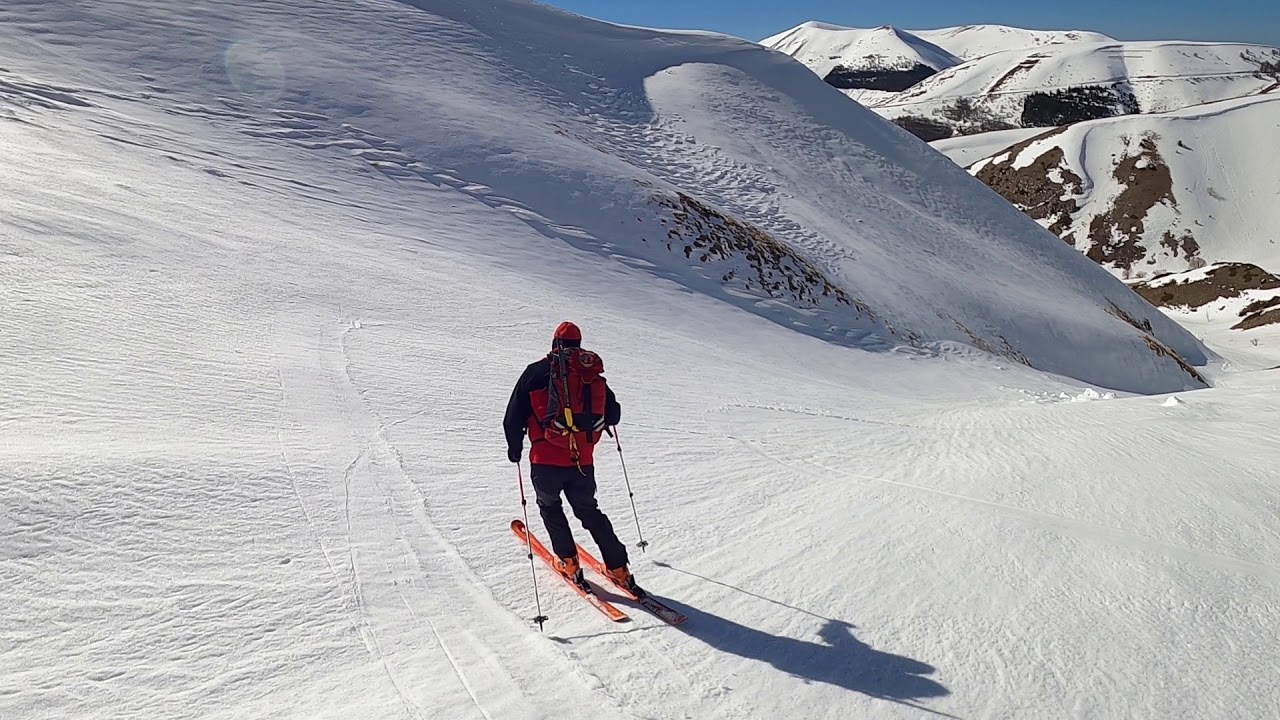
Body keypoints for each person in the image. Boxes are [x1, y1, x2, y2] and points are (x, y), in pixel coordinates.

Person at [504, 321, 641, 595]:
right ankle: (618, 568)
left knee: (551, 508)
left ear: (554, 343)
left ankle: (568, 562)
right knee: (589, 511)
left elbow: (512, 417)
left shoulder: (535, 373)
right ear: (578, 345)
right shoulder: (589, 375)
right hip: (582, 461)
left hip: (545, 461)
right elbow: (613, 414)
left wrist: (515, 448)